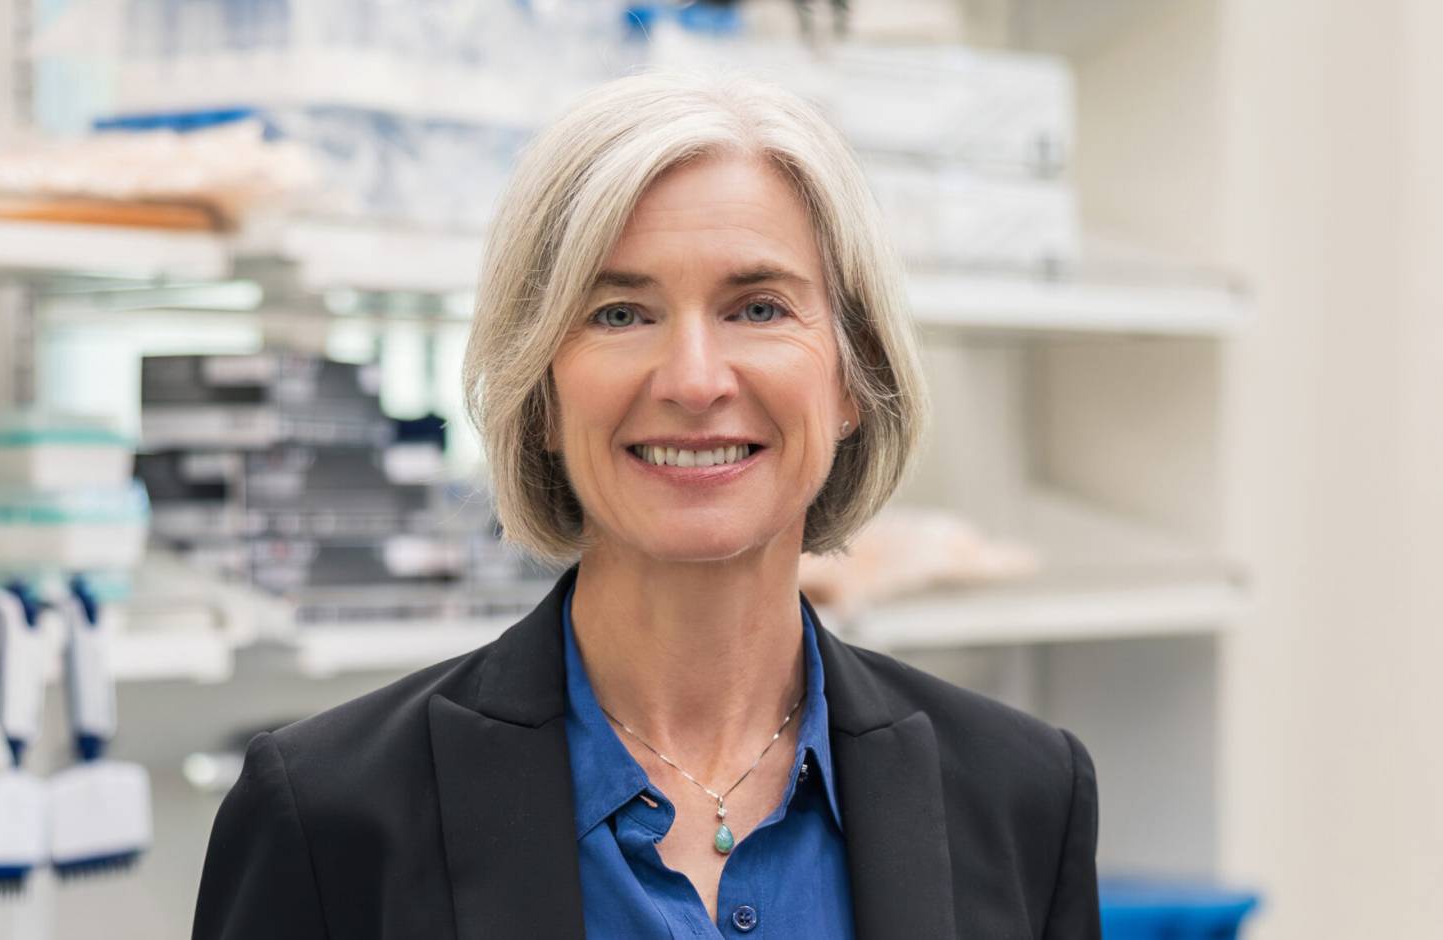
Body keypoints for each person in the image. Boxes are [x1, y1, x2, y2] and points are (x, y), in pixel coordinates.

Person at [193, 69, 1101, 940]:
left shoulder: (1022, 794)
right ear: (540, 392)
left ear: (853, 375)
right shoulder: (328, 818)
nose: (695, 381)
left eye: (758, 308)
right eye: (620, 314)